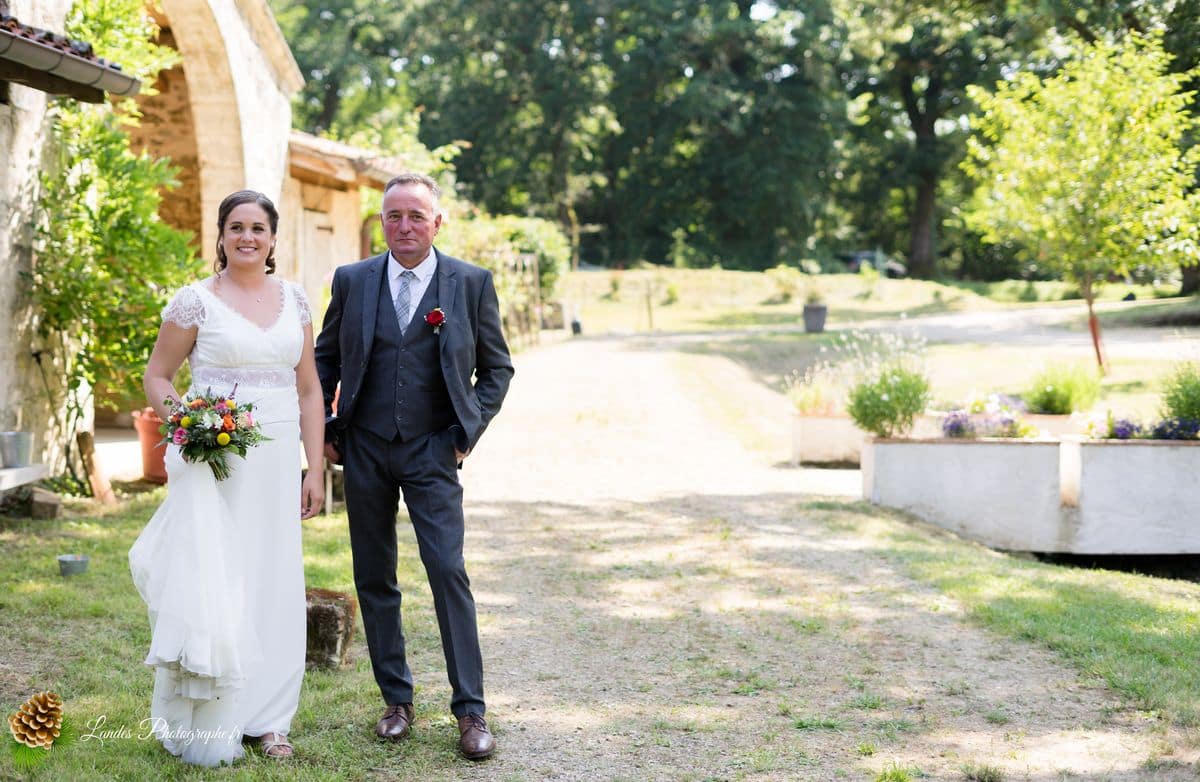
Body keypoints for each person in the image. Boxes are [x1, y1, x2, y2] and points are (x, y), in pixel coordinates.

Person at [314, 173, 513, 760]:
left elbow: (497, 370)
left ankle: (471, 711)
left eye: (416, 216)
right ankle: (396, 701)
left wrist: (463, 434)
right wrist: (327, 430)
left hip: (432, 448)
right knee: (375, 576)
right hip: (366, 448)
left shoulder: (470, 284)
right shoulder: (352, 280)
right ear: (381, 220)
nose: (404, 226)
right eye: (393, 216)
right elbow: (325, 358)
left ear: (437, 222)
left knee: (447, 569)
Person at [129, 190, 325, 765]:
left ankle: (270, 721)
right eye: (236, 227)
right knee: (217, 577)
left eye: (258, 228)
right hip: (215, 463)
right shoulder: (194, 302)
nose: (247, 237)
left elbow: (310, 389)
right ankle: (215, 711)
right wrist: (188, 424)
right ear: (220, 235)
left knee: (275, 578)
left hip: (275, 462)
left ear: (272, 238)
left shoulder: (296, 300)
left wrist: (314, 468)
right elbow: (159, 377)